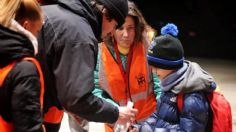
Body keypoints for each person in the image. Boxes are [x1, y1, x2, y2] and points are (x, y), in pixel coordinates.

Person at [36, 0, 137, 131]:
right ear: (105, 12)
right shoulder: (80, 36)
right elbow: (77, 99)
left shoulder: (55, 12)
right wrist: (117, 113)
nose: (112, 32)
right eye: (115, 25)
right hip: (30, 114)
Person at [90, 1, 161, 131]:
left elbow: (160, 85)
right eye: (120, 28)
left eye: (130, 28)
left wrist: (160, 116)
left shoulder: (148, 48)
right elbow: (95, 90)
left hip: (149, 121)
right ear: (112, 27)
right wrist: (117, 111)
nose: (126, 35)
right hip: (117, 122)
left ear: (137, 28)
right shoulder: (100, 51)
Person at [139, 23, 217, 131]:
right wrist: (140, 128)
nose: (153, 71)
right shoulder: (170, 84)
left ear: (171, 65)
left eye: (157, 67)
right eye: (152, 67)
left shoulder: (192, 97)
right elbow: (158, 117)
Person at [0, 0, 45, 131]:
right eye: (37, 31)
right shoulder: (24, 69)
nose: (37, 37)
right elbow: (28, 127)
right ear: (26, 26)